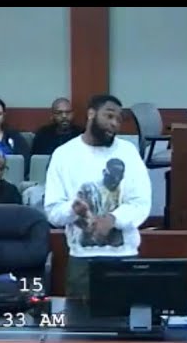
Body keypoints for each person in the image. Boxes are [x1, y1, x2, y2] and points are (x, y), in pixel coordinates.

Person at [44, 94, 152, 298]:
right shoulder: (64, 155)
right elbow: (53, 211)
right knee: (79, 316)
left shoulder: (128, 152)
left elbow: (141, 203)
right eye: (109, 116)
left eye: (118, 119)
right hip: (82, 260)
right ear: (91, 114)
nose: (114, 124)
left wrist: (112, 219)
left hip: (125, 257)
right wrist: (73, 209)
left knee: (128, 316)